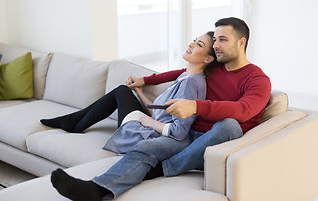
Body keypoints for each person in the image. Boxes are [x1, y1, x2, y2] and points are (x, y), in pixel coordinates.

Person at [48, 17, 271, 201]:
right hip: (186, 134)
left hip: (212, 140)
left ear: (241, 43)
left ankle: (168, 167)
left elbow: (244, 110)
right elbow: (181, 73)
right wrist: (145, 80)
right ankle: (97, 189)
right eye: (215, 40)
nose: (216, 45)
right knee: (147, 147)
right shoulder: (215, 68)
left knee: (230, 125)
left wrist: (195, 105)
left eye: (223, 40)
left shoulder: (258, 79)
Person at [41, 32, 217, 155]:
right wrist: (140, 92)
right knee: (124, 90)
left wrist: (147, 121)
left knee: (121, 91)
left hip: (147, 135)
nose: (191, 44)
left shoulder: (191, 84)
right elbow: (158, 113)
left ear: (208, 59)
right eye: (194, 40)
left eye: (199, 44)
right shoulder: (185, 76)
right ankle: (74, 123)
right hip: (149, 124)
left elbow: (179, 132)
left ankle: (74, 123)